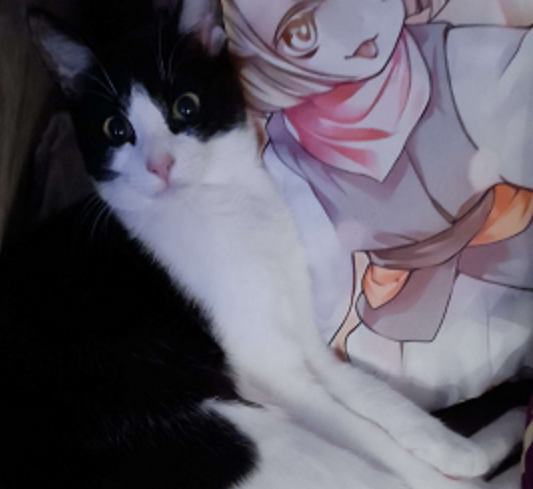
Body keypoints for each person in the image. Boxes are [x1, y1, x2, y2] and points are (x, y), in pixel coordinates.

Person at [222, 0, 533, 408]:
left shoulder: (467, 61)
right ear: (262, 57)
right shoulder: (283, 158)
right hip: (397, 334)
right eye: (300, 31)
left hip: (512, 267)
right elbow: (312, 295)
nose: (356, 25)